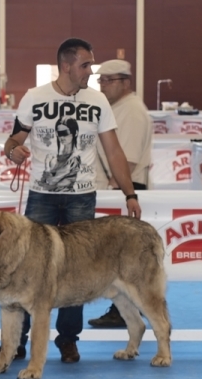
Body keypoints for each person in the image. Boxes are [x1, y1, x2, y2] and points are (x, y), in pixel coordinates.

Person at [0, 38, 141, 365]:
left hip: (81, 197)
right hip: (42, 196)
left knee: (76, 270)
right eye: (86, 65)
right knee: (23, 270)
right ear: (67, 65)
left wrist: (130, 194)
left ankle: (68, 340)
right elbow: (13, 139)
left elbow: (113, 151)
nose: (91, 71)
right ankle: (15, 343)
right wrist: (13, 150)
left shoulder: (96, 101)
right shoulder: (34, 97)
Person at [87, 59, 153, 328]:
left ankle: (136, 306)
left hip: (124, 189)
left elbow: (129, 160)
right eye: (101, 81)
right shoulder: (116, 108)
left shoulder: (133, 111)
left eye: (109, 81)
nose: (103, 86)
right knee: (119, 255)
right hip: (116, 189)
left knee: (125, 256)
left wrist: (119, 192)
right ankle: (126, 308)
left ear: (126, 82)